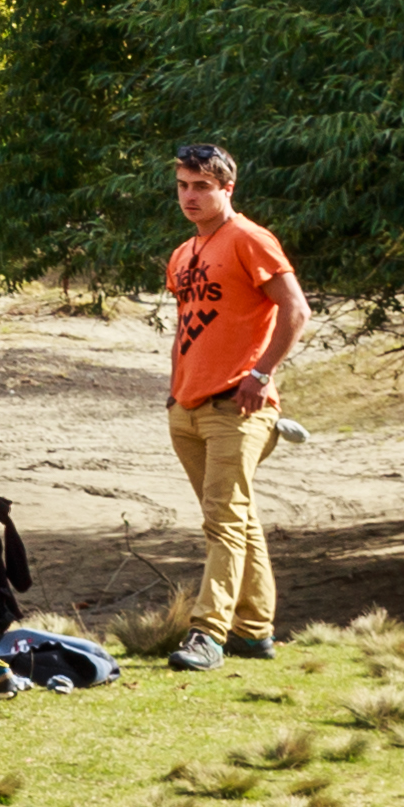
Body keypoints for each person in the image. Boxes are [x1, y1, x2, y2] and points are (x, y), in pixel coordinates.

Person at [159, 140, 307, 672]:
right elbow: (187, 328)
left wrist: (262, 373)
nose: (190, 195)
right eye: (183, 185)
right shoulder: (183, 253)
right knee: (235, 520)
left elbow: (296, 310)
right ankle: (254, 631)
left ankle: (208, 634)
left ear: (227, 188)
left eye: (202, 185)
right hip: (188, 407)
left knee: (222, 520)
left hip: (239, 408)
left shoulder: (249, 238)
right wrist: (176, 390)